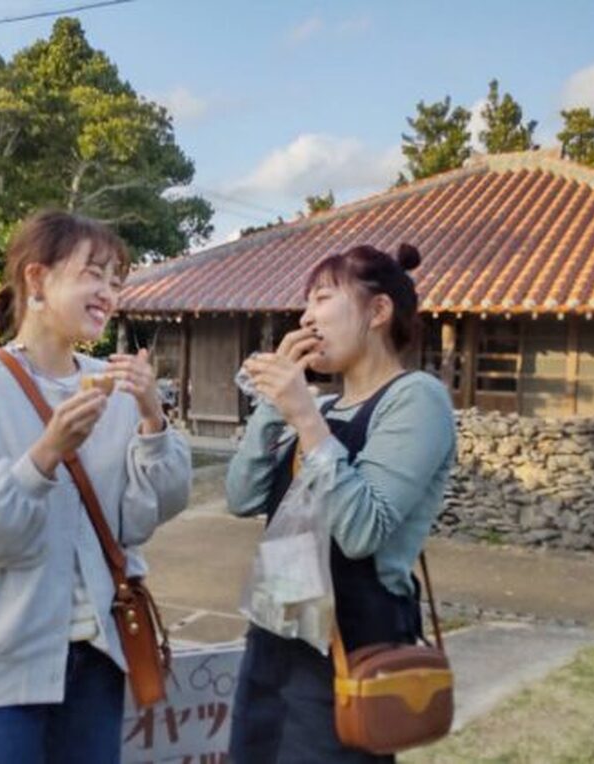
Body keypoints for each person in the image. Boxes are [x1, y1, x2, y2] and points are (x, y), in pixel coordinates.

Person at [0, 210, 192, 763]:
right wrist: (44, 456)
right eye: (93, 274)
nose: (108, 293)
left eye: (116, 280)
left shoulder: (114, 390)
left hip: (97, 660)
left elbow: (137, 523)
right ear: (37, 279)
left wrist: (152, 421)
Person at [226, 242, 456, 763]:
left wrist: (305, 418)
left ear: (378, 311)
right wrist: (274, 408)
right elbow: (240, 497)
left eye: (323, 298)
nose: (306, 317)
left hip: (352, 652)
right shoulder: (323, 405)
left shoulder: (416, 398)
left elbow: (361, 532)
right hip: (274, 638)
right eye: (306, 302)